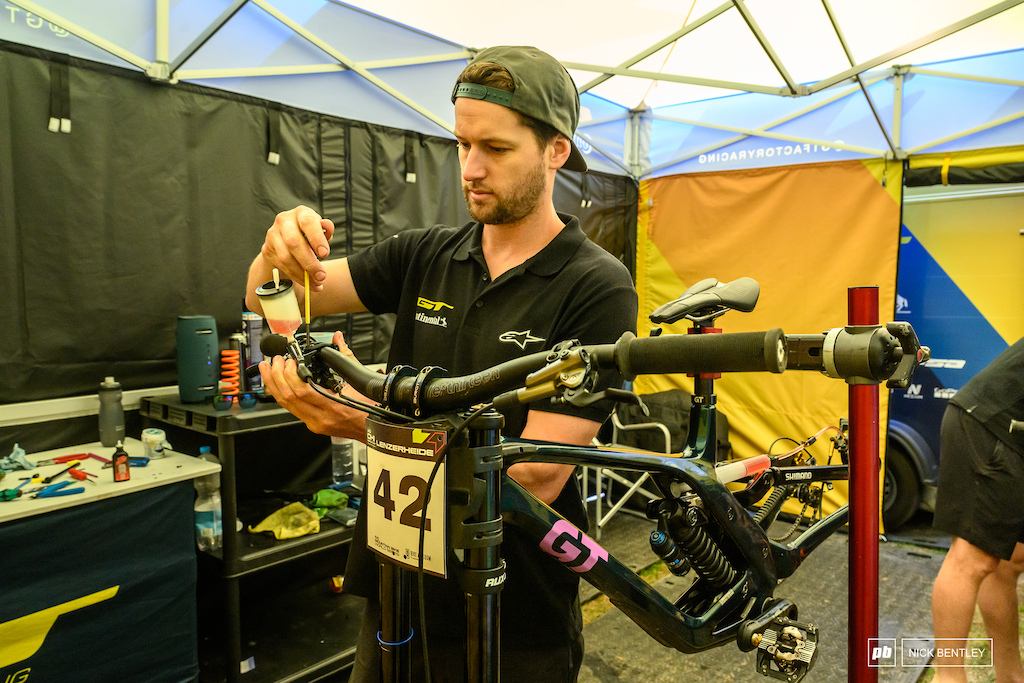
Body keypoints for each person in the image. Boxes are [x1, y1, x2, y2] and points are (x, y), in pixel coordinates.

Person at [244, 46, 638, 682]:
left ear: (555, 150)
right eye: (461, 145)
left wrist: (367, 420)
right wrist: (275, 252)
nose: (472, 169)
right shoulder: (425, 255)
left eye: (497, 149)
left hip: (512, 607)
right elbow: (281, 298)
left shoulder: (596, 285)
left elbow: (534, 476)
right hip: (398, 584)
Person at [931, 337, 1024, 682]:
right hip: (991, 424)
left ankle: (1011, 676)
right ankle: (950, 678)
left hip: (1012, 433)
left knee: (1010, 559)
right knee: (972, 559)